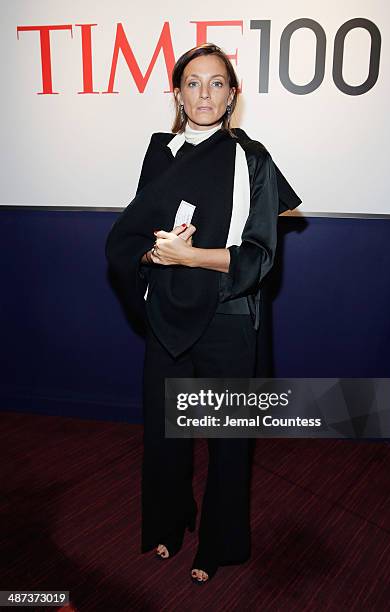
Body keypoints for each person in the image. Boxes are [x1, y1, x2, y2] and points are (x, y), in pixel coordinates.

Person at [105, 43, 301, 584]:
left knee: (226, 442)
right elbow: (135, 236)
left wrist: (191, 255)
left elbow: (261, 255)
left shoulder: (252, 159)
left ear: (233, 95)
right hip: (167, 311)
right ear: (177, 93)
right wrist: (155, 253)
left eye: (217, 83)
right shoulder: (159, 153)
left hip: (229, 316)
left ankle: (218, 543)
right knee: (165, 434)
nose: (205, 93)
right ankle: (168, 523)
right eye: (193, 83)